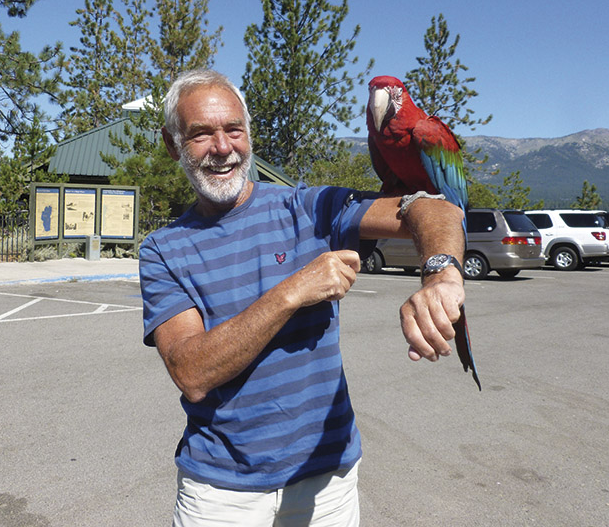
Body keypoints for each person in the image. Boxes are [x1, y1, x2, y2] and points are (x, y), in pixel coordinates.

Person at [139, 69, 466, 526]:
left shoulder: (308, 207)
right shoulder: (162, 250)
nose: (222, 147)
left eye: (234, 129)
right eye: (200, 135)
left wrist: (441, 275)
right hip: (219, 493)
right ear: (173, 145)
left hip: (327, 481)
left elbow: (433, 208)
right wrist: (293, 290)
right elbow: (192, 372)